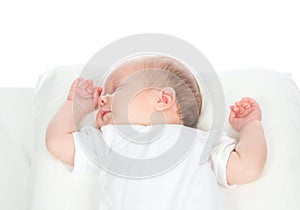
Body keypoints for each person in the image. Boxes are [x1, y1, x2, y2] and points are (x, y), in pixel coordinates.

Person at [45, 55, 267, 210]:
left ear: (163, 100)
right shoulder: (111, 138)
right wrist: (74, 107)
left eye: (117, 90)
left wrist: (250, 125)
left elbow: (247, 167)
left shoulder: (200, 142)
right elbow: (57, 142)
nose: (102, 99)